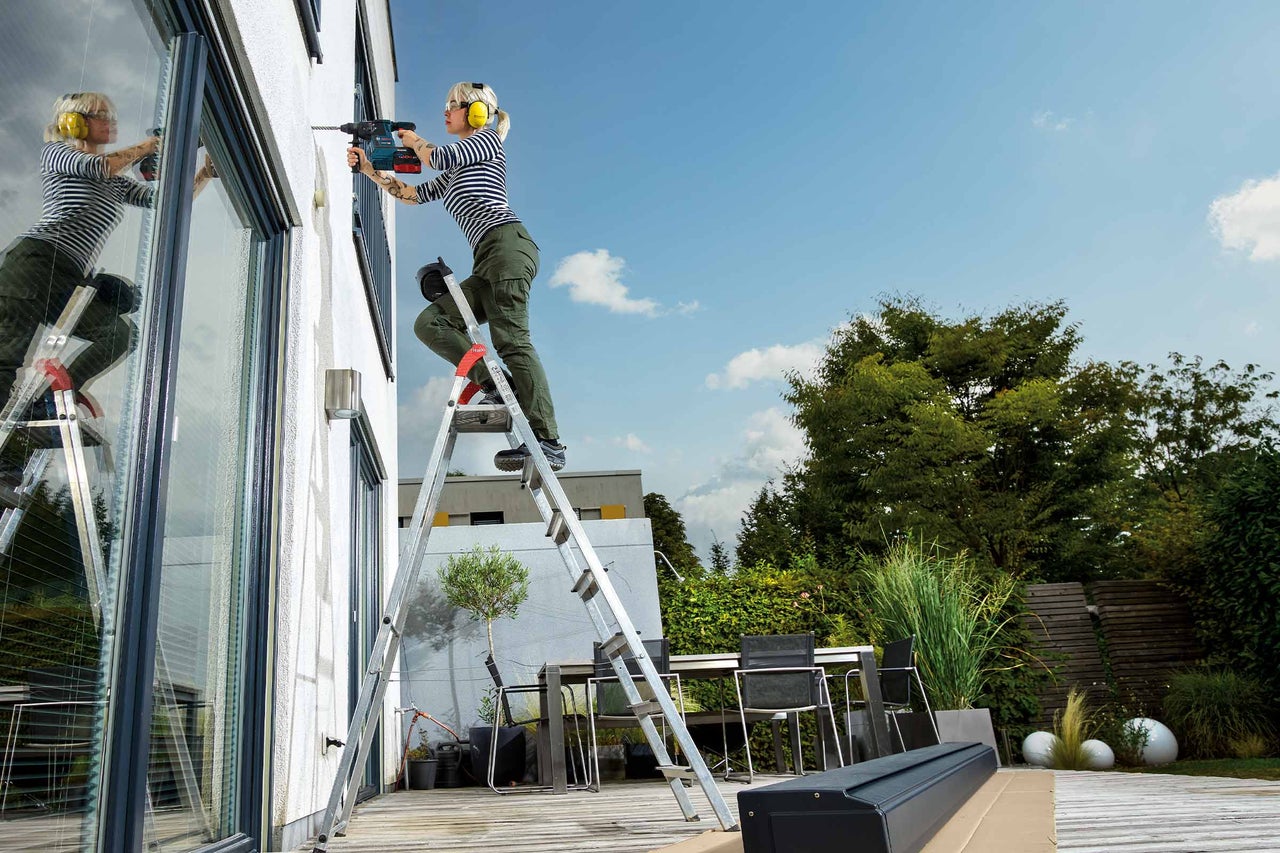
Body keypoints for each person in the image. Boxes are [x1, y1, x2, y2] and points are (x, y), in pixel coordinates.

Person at [346, 81, 565, 472]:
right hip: (488, 258)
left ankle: (548, 441)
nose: (446, 110)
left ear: (477, 113)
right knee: (431, 323)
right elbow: (412, 194)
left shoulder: (485, 143)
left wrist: (412, 139)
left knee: (512, 341)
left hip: (508, 245)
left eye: (454, 104)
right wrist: (369, 169)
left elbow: (435, 157)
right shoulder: (457, 167)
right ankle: (498, 386)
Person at [0, 92, 216, 487]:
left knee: (118, 333)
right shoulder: (59, 155)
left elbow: (165, 201)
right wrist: (152, 145)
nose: (110, 123)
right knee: (5, 359)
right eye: (100, 116)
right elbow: (102, 167)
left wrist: (204, 174)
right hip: (33, 264)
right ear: (73, 123)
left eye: (111, 116)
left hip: (67, 276)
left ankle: (46, 401)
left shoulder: (115, 182)